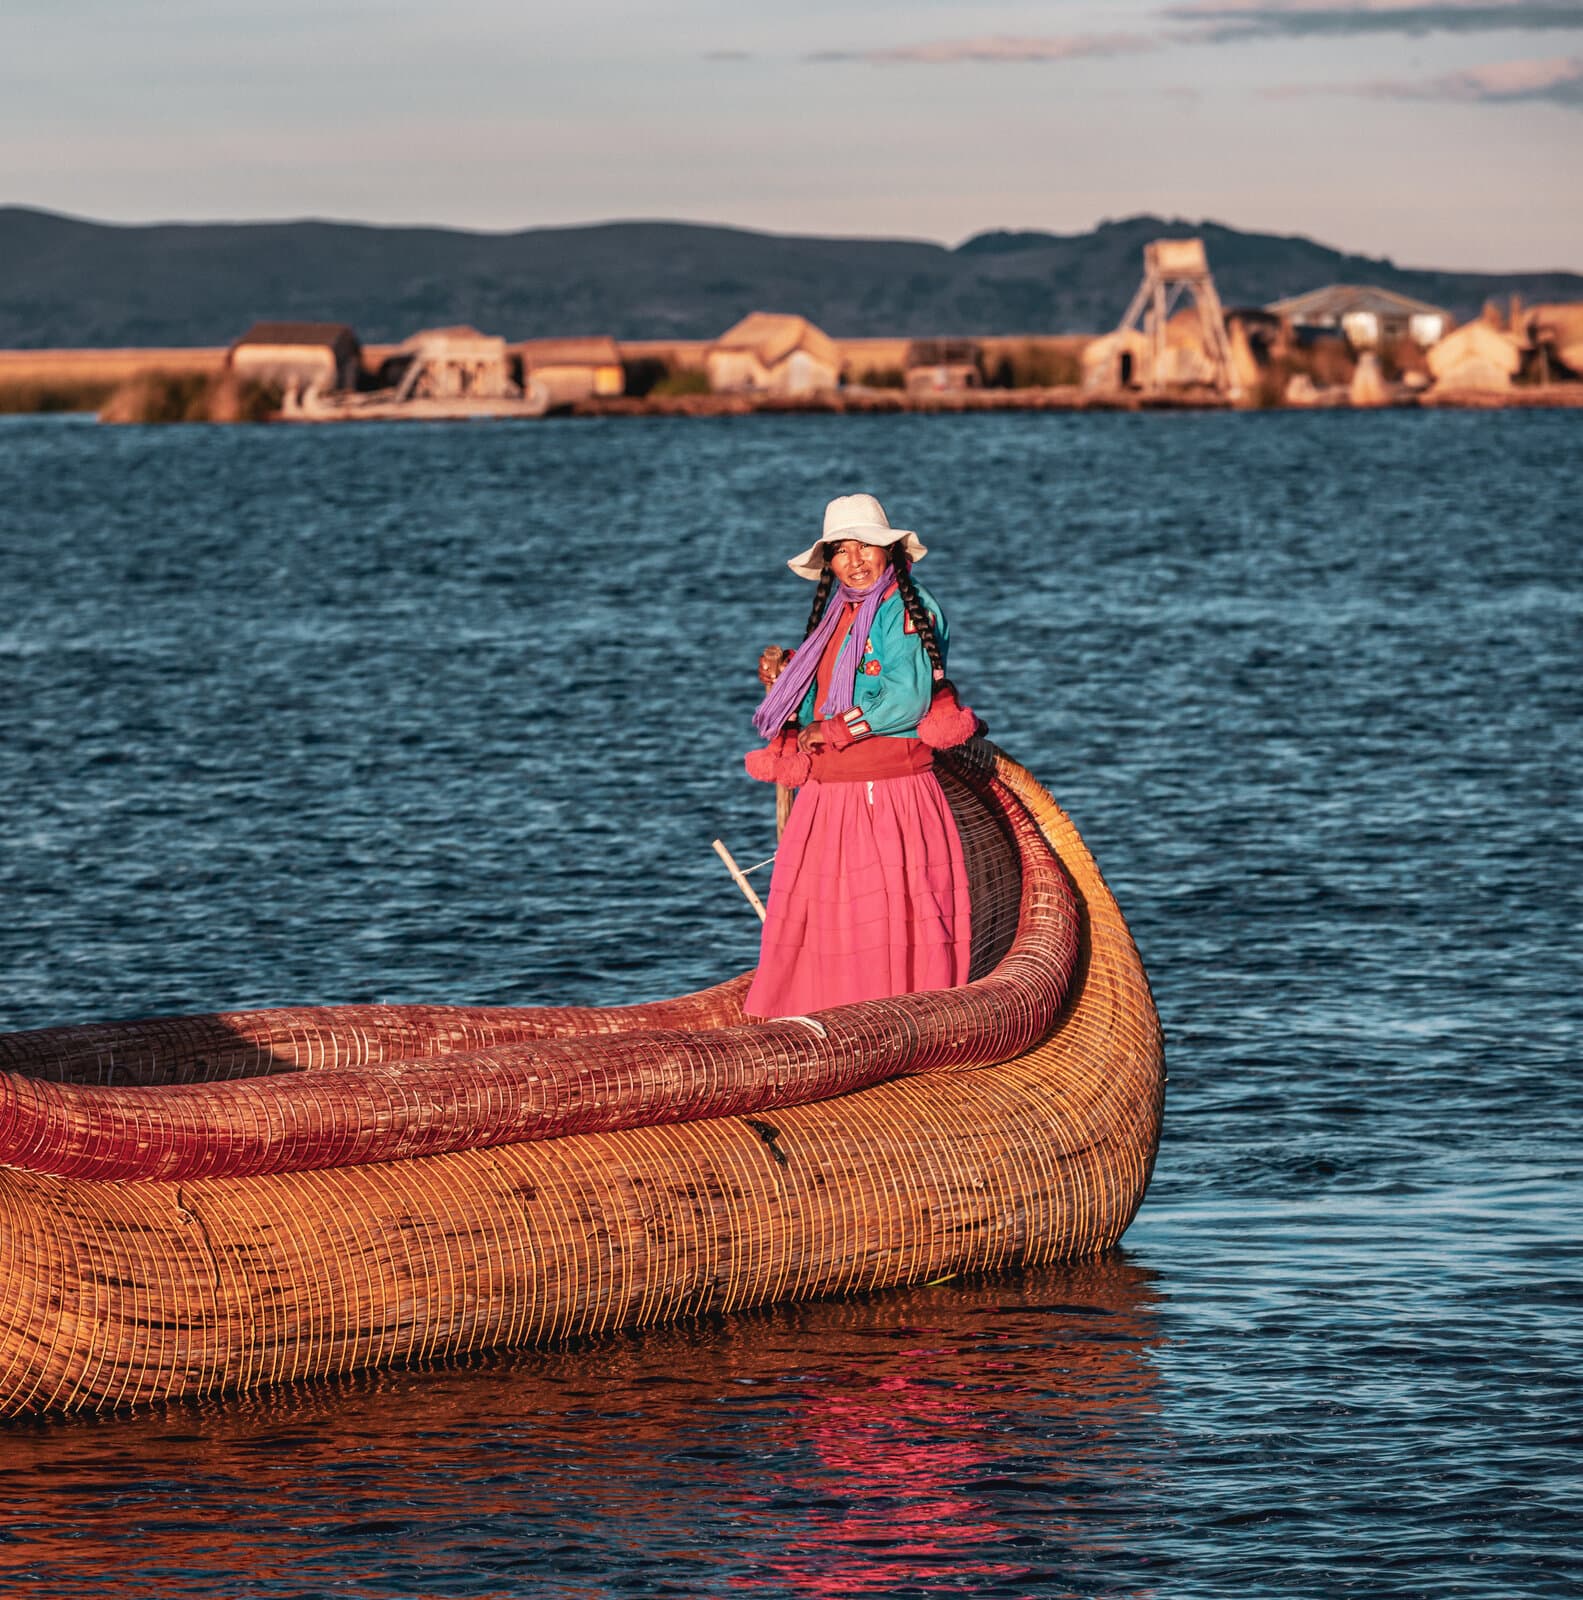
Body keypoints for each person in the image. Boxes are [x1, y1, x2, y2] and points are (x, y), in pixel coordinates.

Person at [742, 493, 979, 1019]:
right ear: (829, 562)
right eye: (842, 550)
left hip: (886, 799)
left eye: (866, 546)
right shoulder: (836, 619)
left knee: (883, 923)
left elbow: (907, 696)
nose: (856, 560)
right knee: (828, 927)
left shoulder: (906, 609)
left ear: (889, 551)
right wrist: (786, 680)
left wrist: (835, 730)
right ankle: (828, 1035)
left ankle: (895, 1033)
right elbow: (816, 705)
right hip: (831, 802)